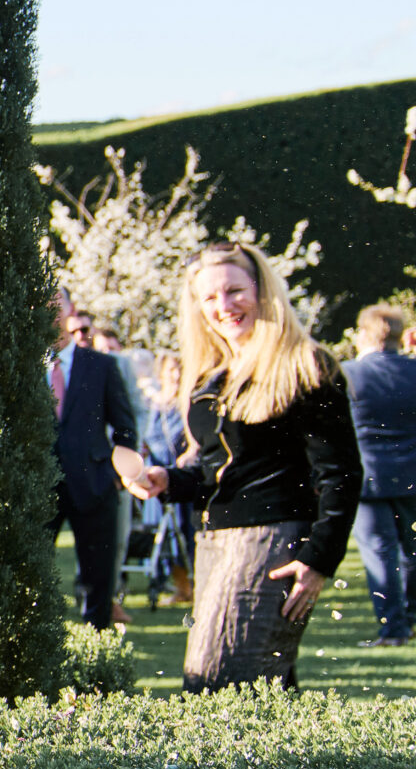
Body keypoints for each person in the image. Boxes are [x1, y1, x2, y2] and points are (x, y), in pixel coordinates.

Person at [126, 243, 360, 691]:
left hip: (274, 544)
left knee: (218, 687)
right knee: (258, 691)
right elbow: (219, 473)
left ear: (262, 290)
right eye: (209, 298)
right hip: (218, 543)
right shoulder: (212, 375)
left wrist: (319, 558)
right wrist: (167, 481)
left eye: (235, 291)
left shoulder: (306, 365)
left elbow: (341, 474)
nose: (223, 307)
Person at [48, 288, 147, 631]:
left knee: (97, 582)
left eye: (55, 303)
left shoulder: (101, 365)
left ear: (70, 310)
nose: (48, 310)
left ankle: (99, 656)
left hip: (94, 484)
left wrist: (119, 475)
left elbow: (125, 428)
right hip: (39, 489)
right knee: (31, 576)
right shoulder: (21, 366)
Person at [343, 304, 416, 646]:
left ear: (365, 334)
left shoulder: (349, 374)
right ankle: (412, 619)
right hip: (412, 473)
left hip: (368, 474)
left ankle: (394, 629)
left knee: (379, 553)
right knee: (412, 551)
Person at [140, 352, 197, 608]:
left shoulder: (187, 402)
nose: (176, 375)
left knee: (185, 530)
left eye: (179, 369)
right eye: (171, 369)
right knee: (162, 535)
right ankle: (180, 586)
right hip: (156, 473)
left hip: (180, 473)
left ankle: (192, 585)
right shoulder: (154, 405)